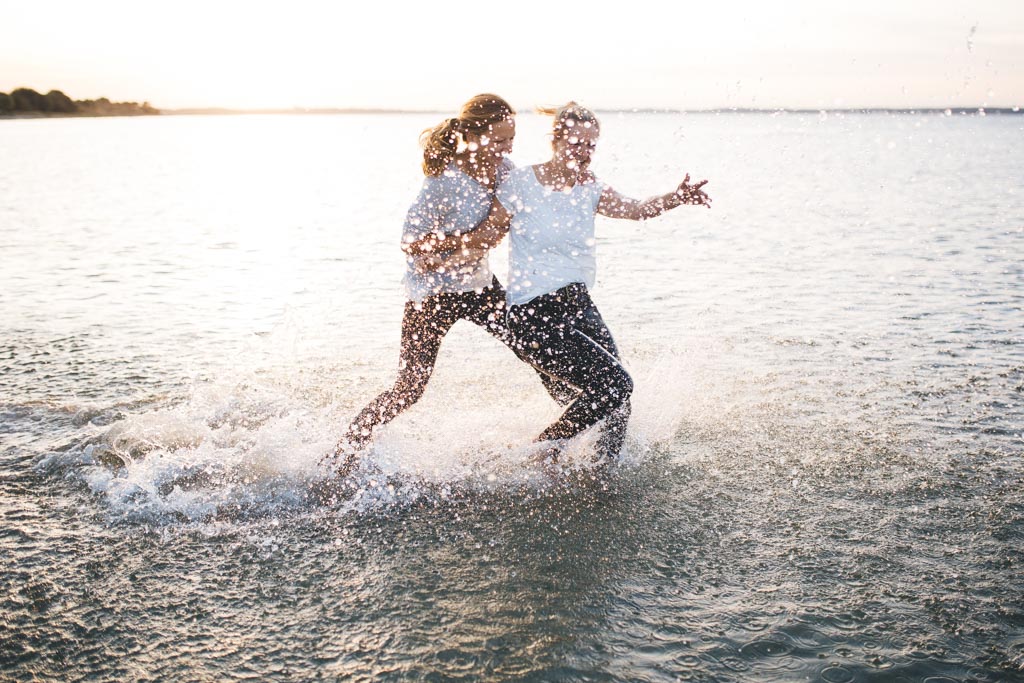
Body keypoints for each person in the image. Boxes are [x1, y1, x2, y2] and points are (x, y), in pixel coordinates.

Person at [327, 94, 571, 475]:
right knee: (409, 388)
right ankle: (344, 453)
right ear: (474, 134)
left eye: (512, 138)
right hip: (432, 295)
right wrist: (466, 242)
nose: (508, 147)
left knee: (533, 345)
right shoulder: (444, 182)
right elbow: (410, 242)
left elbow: (536, 195)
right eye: (500, 139)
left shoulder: (505, 170)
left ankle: (573, 425)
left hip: (478, 287)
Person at [482, 102, 711, 465]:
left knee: (618, 402)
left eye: (591, 145)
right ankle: (536, 452)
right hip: (532, 313)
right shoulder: (521, 184)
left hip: (578, 306)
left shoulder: (590, 188)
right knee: (615, 386)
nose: (584, 153)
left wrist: (675, 198)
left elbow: (636, 209)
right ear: (556, 140)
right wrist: (442, 254)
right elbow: (488, 234)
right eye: (577, 143)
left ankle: (601, 476)